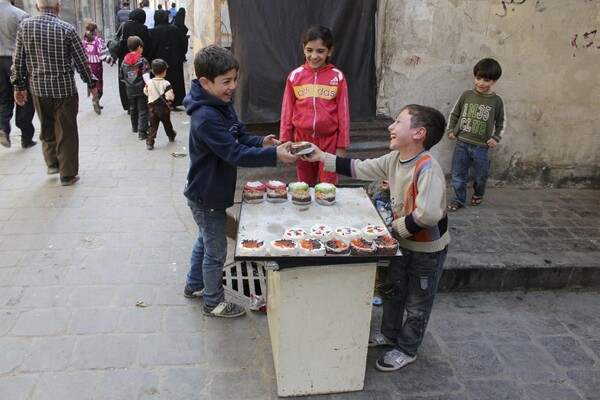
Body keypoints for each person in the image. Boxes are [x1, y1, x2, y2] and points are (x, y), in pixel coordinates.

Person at [302, 104, 450, 372]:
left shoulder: (427, 168)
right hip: (401, 244)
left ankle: (407, 349)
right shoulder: (395, 159)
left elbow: (428, 214)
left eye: (398, 122)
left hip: (427, 250)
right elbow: (360, 168)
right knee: (393, 292)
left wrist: (395, 228)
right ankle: (389, 334)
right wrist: (320, 156)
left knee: (417, 303)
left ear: (419, 133)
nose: (391, 127)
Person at [182, 45, 298, 318]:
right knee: (216, 251)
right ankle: (213, 302)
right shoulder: (206, 117)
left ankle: (194, 284)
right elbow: (233, 152)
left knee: (205, 239)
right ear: (205, 83)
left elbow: (239, 135)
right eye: (226, 81)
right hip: (206, 195)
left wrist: (262, 141)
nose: (233, 86)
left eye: (235, 79)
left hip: (212, 192)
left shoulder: (220, 104)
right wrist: (274, 155)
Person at [11, 0, 97, 186]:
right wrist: (91, 83)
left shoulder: (25, 26)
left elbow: (18, 59)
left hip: (38, 88)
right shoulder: (67, 28)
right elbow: (81, 60)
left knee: (47, 125)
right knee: (66, 130)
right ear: (58, 7)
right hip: (64, 89)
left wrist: (18, 86)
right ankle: (67, 173)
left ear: (37, 7)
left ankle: (52, 162)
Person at [280, 25, 350, 185]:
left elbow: (343, 114)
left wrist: (342, 146)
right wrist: (285, 141)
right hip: (301, 141)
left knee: (328, 185)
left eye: (320, 51)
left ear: (330, 51)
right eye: (309, 50)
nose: (314, 56)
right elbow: (286, 110)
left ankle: (328, 211)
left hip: (329, 142)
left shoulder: (337, 77)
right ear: (303, 48)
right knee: (304, 185)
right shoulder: (294, 76)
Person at [446, 58, 506, 211]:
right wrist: (451, 130)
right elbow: (455, 114)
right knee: (458, 174)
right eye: (478, 78)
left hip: (481, 147)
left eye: (486, 80)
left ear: (494, 81)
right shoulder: (466, 95)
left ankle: (479, 193)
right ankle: (459, 199)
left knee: (480, 176)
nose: (480, 83)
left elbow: (501, 121)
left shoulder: (497, 101)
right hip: (462, 143)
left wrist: (496, 137)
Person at [0, 0, 36, 149]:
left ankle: (3, 126)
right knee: (24, 97)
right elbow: (28, 43)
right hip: (16, 60)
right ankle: (26, 136)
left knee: (3, 97)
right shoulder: (20, 15)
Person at [149, 9, 186, 109]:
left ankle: (161, 101)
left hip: (160, 61)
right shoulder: (175, 29)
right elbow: (182, 44)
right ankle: (174, 101)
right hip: (175, 60)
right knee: (174, 81)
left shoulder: (156, 30)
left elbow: (153, 47)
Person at [116, 8, 150, 111]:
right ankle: (139, 104)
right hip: (138, 59)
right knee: (138, 80)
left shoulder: (123, 25)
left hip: (124, 58)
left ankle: (128, 105)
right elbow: (147, 45)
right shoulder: (143, 28)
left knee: (125, 81)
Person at [367, 180, 393, 306]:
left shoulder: (400, 194)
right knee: (378, 263)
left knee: (387, 265)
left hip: (394, 233)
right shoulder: (375, 192)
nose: (386, 179)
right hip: (376, 232)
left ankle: (382, 288)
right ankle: (376, 289)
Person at [120, 36, 150, 140]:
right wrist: (148, 85)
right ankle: (142, 132)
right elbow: (146, 74)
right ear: (139, 47)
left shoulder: (124, 61)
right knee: (143, 109)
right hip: (140, 89)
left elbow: (121, 75)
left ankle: (134, 127)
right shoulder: (142, 60)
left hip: (129, 89)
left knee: (132, 108)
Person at [82, 22, 115, 115]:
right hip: (96, 66)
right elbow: (102, 56)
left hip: (87, 65)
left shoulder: (84, 41)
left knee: (92, 83)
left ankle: (95, 100)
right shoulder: (98, 41)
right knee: (99, 84)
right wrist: (111, 60)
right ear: (95, 31)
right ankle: (95, 100)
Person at [144, 58, 175, 150]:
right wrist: (172, 98)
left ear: (152, 71)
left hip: (152, 109)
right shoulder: (166, 83)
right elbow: (169, 96)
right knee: (167, 123)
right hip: (163, 108)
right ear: (165, 71)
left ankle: (150, 142)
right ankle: (171, 135)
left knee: (153, 126)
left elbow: (145, 91)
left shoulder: (149, 82)